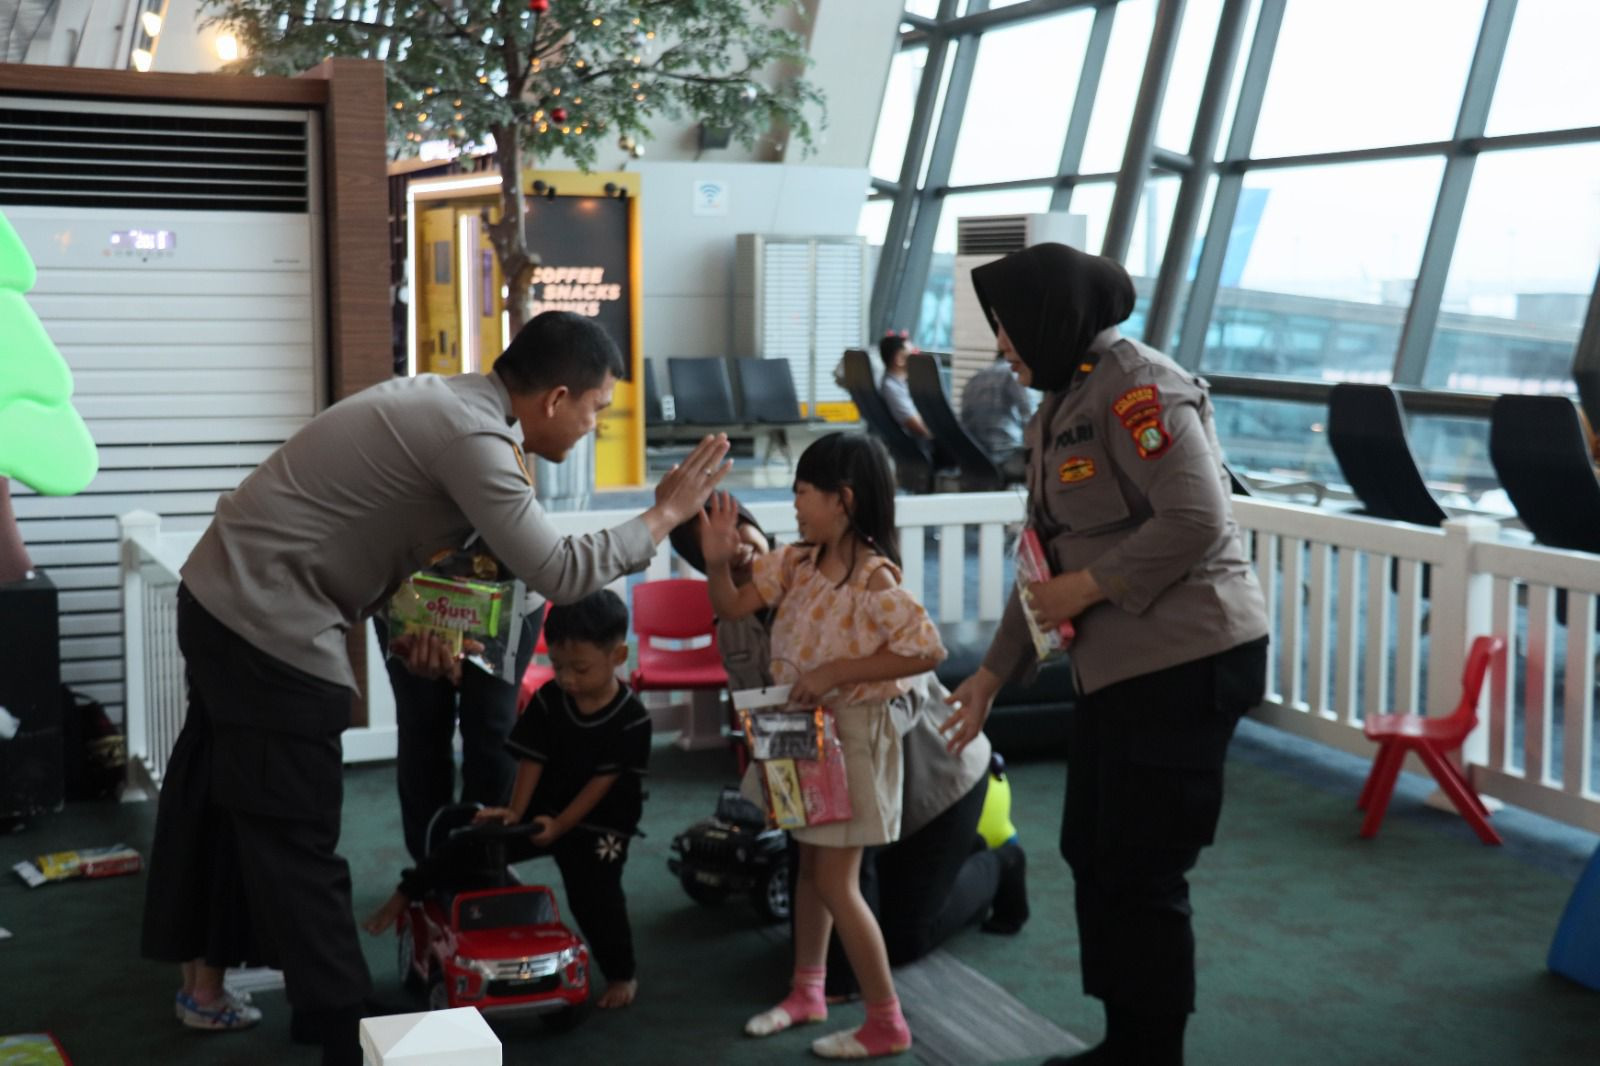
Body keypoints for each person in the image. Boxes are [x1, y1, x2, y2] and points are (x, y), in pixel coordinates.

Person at [140, 310, 731, 1066]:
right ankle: (343, 1028)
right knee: (299, 835)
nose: (595, 423)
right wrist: (663, 516)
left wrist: (427, 625)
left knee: (230, 809)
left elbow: (384, 531)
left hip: (232, 600)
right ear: (554, 398)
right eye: (596, 407)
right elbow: (556, 569)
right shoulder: (475, 440)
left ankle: (246, 993)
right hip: (266, 624)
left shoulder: (450, 406)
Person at [940, 243, 1269, 1066]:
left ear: (1052, 317)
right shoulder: (1062, 401)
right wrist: (988, 677)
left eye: (1009, 331)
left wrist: (1087, 589)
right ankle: (1126, 1041)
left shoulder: (1136, 385)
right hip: (1120, 670)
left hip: (1189, 659)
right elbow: (1042, 561)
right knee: (1093, 851)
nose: (1004, 349)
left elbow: (1199, 517)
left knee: (1143, 869)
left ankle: (1150, 1054)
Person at [669, 504, 1030, 991]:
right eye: (710, 546)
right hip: (839, 785)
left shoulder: (837, 577)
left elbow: (912, 693)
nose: (735, 547)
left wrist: (841, 733)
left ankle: (999, 865)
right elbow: (766, 719)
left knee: (902, 939)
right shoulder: (733, 622)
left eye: (737, 527)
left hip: (935, 775)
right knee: (824, 933)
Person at [700, 433, 947, 1060]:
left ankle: (887, 1021)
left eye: (802, 492)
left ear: (844, 499)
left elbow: (927, 648)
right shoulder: (795, 563)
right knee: (808, 868)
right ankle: (807, 990)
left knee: (838, 882)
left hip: (851, 739)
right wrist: (714, 559)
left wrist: (838, 674)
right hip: (797, 736)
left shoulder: (874, 577)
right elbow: (731, 605)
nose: (795, 505)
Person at [364, 590, 650, 1009]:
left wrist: (561, 826)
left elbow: (601, 784)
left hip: (598, 824)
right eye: (559, 666)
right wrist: (514, 813)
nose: (568, 678)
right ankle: (409, 892)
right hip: (543, 810)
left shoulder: (632, 718)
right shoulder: (552, 699)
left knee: (596, 897)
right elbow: (531, 758)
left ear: (618, 655)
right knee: (473, 838)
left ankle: (621, 974)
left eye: (581, 669)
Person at [377, 544, 539, 865]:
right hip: (408, 592)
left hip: (507, 589)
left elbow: (524, 532)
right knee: (422, 727)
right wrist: (431, 624)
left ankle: (486, 858)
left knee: (493, 730)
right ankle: (430, 867)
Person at [961, 349, 1036, 480]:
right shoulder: (1013, 374)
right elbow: (1031, 419)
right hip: (1006, 458)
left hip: (975, 460)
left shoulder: (975, 378)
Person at [876, 330, 932, 440]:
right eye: (912, 354)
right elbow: (919, 428)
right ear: (899, 359)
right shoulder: (892, 388)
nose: (917, 358)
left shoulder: (901, 384)